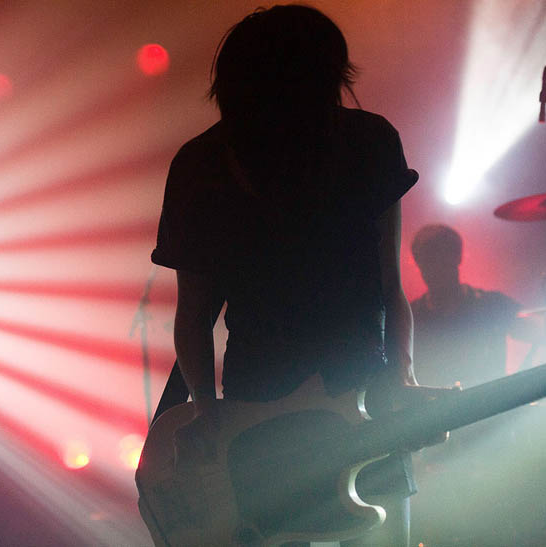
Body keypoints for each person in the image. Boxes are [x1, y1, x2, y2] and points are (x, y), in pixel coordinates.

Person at [151, 5, 420, 546]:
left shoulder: (202, 161)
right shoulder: (365, 140)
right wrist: (401, 373)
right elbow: (388, 281)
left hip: (297, 387)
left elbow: (194, 316)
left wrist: (208, 411)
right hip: (324, 382)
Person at [410, 224, 533, 388]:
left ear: (457, 256)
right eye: (427, 259)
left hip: (492, 406)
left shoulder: (491, 304)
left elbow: (538, 332)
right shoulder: (411, 317)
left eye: (441, 257)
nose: (434, 267)